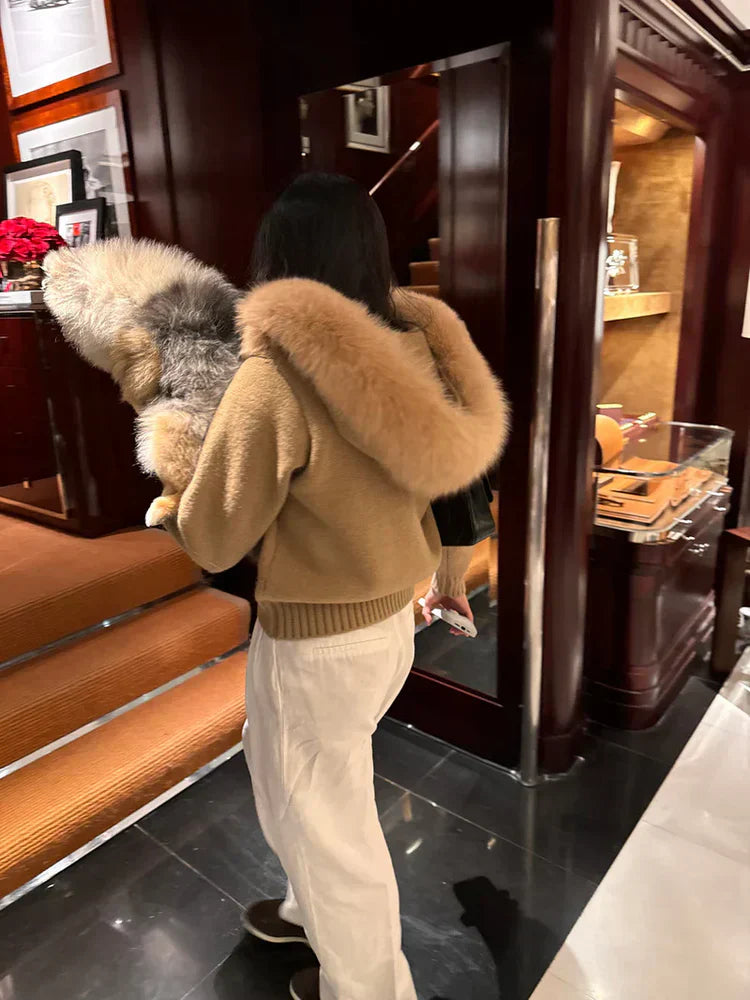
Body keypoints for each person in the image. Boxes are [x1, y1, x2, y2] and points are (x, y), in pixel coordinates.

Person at [165, 173, 509, 1000]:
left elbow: (214, 535)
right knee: (299, 783)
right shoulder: (413, 355)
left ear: (275, 260)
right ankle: (306, 913)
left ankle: (370, 988)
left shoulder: (276, 378)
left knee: (330, 830)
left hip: (315, 636)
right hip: (388, 621)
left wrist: (172, 496)